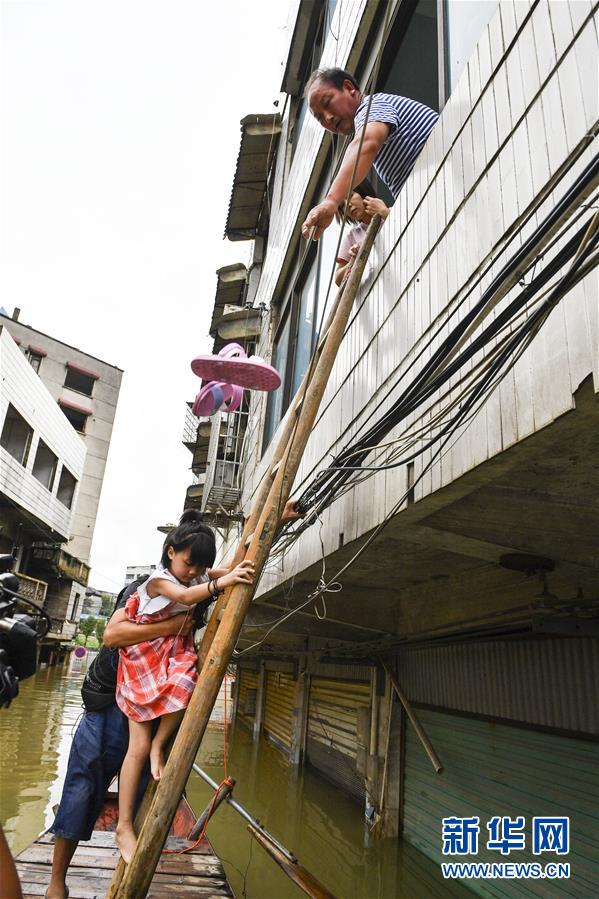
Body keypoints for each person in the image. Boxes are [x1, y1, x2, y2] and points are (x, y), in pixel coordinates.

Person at [114, 512, 254, 863]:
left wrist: (252, 533)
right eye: (189, 563)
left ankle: (159, 745)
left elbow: (228, 569)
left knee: (186, 684)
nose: (194, 572)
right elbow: (186, 595)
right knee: (136, 746)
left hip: (173, 654)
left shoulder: (198, 573)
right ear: (171, 552)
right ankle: (123, 826)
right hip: (143, 656)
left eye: (201, 567)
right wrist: (219, 582)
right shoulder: (159, 580)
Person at [301, 68, 438, 241]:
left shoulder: (371, 106)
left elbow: (366, 142)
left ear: (349, 88)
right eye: (319, 118)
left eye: (327, 102)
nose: (327, 117)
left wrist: (331, 200)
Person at [334, 179, 389, 286]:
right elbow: (338, 280)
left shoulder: (390, 211)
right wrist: (354, 260)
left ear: (363, 191)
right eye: (342, 206)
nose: (347, 205)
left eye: (351, 195)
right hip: (376, 288)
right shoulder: (352, 236)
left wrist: (384, 212)